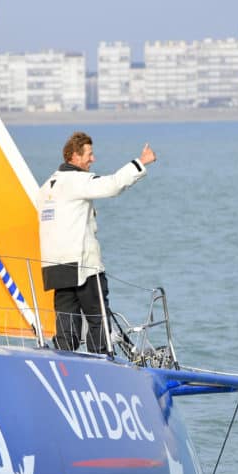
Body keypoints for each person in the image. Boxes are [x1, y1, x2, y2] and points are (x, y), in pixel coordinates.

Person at [37, 131, 156, 354]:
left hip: (55, 268)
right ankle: (101, 359)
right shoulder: (77, 180)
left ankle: (63, 360)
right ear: (74, 156)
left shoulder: (46, 187)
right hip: (83, 266)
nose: (93, 159)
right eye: (89, 154)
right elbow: (112, 185)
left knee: (66, 328)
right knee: (97, 320)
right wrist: (141, 162)